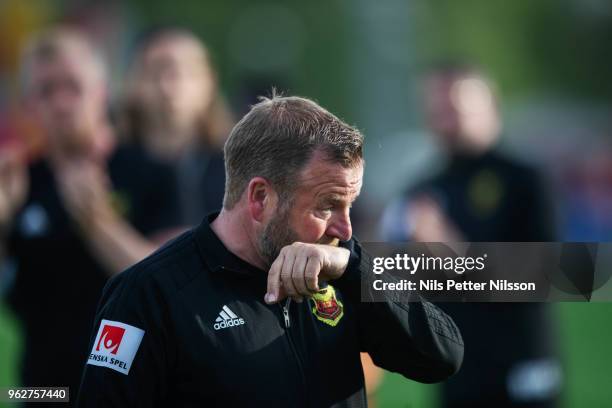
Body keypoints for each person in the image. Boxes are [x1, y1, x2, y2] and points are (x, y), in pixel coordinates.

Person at [77, 95, 464, 407]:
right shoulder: (149, 295)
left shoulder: (342, 267)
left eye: (351, 205)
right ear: (260, 198)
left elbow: (443, 356)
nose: (345, 228)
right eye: (327, 205)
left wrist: (354, 268)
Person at [0, 27, 181, 401]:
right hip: (42, 389)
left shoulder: (152, 171)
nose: (61, 103)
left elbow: (173, 286)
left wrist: (98, 222)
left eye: (73, 87)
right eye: (46, 90)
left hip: (138, 389)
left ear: (102, 91)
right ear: (30, 104)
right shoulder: (20, 180)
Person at [381, 64, 561, 407]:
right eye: (435, 109)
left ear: (489, 104)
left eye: (454, 106)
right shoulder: (422, 188)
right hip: (457, 371)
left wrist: (456, 253)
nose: (444, 118)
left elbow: (557, 274)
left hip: (522, 371)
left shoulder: (524, 179)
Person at [121, 28, 233, 226]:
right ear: (134, 83)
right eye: (155, 72)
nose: (168, 85)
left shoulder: (235, 166)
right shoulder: (111, 167)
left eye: (183, 72)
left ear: (209, 81)